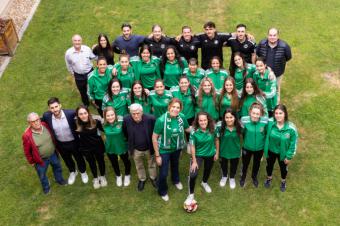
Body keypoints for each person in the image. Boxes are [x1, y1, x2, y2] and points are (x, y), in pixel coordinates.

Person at [42, 97, 88, 185]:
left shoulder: (70, 113)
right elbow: (39, 121)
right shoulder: (47, 116)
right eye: (52, 108)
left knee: (79, 158)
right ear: (49, 109)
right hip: (60, 144)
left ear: (60, 105)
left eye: (56, 106)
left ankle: (83, 172)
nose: (55, 109)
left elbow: (83, 116)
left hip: (74, 142)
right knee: (67, 159)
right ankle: (73, 172)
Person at [152, 98, 191, 201]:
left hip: (177, 148)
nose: (175, 109)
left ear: (180, 109)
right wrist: (157, 155)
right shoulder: (161, 120)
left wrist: (200, 127)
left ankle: (176, 180)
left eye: (178, 107)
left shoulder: (182, 117)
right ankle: (162, 191)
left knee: (175, 165)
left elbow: (187, 129)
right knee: (163, 173)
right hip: (164, 150)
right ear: (169, 106)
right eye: (173, 107)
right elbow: (154, 137)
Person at [22, 112, 67, 194]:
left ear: (40, 119)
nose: (36, 122)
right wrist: (31, 162)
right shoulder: (27, 136)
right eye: (33, 121)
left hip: (53, 154)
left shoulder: (45, 125)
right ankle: (46, 187)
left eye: (37, 120)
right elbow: (27, 151)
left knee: (57, 167)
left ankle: (59, 179)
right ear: (29, 123)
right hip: (41, 160)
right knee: (42, 175)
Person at [184, 112, 219, 205]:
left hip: (210, 154)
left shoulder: (213, 129)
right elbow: (192, 146)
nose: (203, 122)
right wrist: (194, 161)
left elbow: (216, 140)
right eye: (201, 120)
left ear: (208, 120)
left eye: (205, 120)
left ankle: (204, 182)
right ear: (197, 121)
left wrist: (217, 153)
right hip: (198, 154)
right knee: (193, 175)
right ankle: (191, 195)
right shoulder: (194, 131)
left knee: (208, 169)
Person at [122, 103, 157, 191]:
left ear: (142, 112)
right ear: (130, 113)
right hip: (136, 149)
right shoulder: (126, 119)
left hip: (149, 148)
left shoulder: (150, 119)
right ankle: (142, 179)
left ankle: (153, 178)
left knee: (152, 164)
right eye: (133, 114)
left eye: (138, 113)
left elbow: (155, 133)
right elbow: (125, 132)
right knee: (139, 165)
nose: (136, 115)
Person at [264, 104, 298, 192]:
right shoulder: (270, 123)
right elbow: (264, 133)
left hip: (284, 153)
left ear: (285, 114)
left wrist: (289, 156)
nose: (278, 115)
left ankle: (283, 181)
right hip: (271, 151)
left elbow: (293, 143)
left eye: (280, 113)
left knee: (283, 168)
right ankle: (269, 178)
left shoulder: (291, 128)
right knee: (269, 166)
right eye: (276, 113)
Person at [256, 28, 292, 102]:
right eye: (270, 35)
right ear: (267, 35)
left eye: (274, 35)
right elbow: (258, 54)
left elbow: (288, 57)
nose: (272, 37)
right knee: (264, 88)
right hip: (264, 71)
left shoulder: (284, 46)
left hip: (277, 73)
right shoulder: (262, 44)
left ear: (278, 36)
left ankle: (276, 106)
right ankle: (263, 104)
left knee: (276, 89)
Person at [75, 105, 107, 189]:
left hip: (98, 146)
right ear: (78, 115)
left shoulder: (96, 121)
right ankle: (96, 178)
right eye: (80, 114)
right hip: (86, 148)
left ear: (88, 113)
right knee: (92, 163)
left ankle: (103, 176)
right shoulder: (76, 124)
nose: (83, 115)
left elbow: (104, 130)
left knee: (101, 162)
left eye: (85, 113)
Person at [240, 103, 268, 188]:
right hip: (247, 148)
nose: (255, 116)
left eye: (257, 114)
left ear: (261, 114)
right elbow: (242, 133)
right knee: (245, 163)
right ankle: (243, 177)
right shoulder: (244, 120)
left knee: (257, 164)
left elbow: (265, 133)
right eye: (253, 113)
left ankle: (254, 177)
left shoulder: (265, 121)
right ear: (250, 112)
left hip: (259, 148)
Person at [103, 107, 131, 187]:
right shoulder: (102, 123)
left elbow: (127, 132)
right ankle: (118, 175)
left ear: (115, 114)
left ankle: (127, 175)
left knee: (126, 161)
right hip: (110, 147)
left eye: (112, 115)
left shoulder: (122, 121)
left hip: (122, 146)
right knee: (114, 162)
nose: (110, 117)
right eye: (108, 115)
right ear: (105, 116)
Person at [65, 34, 96, 106]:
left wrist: (98, 50)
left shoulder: (87, 49)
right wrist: (73, 73)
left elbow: (93, 57)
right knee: (82, 91)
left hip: (90, 72)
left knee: (93, 88)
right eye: (75, 40)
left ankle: (95, 102)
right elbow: (68, 65)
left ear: (81, 41)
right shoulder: (68, 53)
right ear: (72, 42)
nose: (77, 42)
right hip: (78, 75)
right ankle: (86, 104)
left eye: (79, 40)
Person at [216, 108, 242, 189]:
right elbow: (216, 139)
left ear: (235, 117)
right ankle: (224, 176)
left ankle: (232, 178)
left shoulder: (240, 126)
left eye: (231, 117)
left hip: (235, 151)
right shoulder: (219, 127)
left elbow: (245, 137)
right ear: (224, 118)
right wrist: (217, 151)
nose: (229, 119)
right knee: (223, 164)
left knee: (234, 165)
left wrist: (241, 149)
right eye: (227, 117)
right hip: (223, 151)